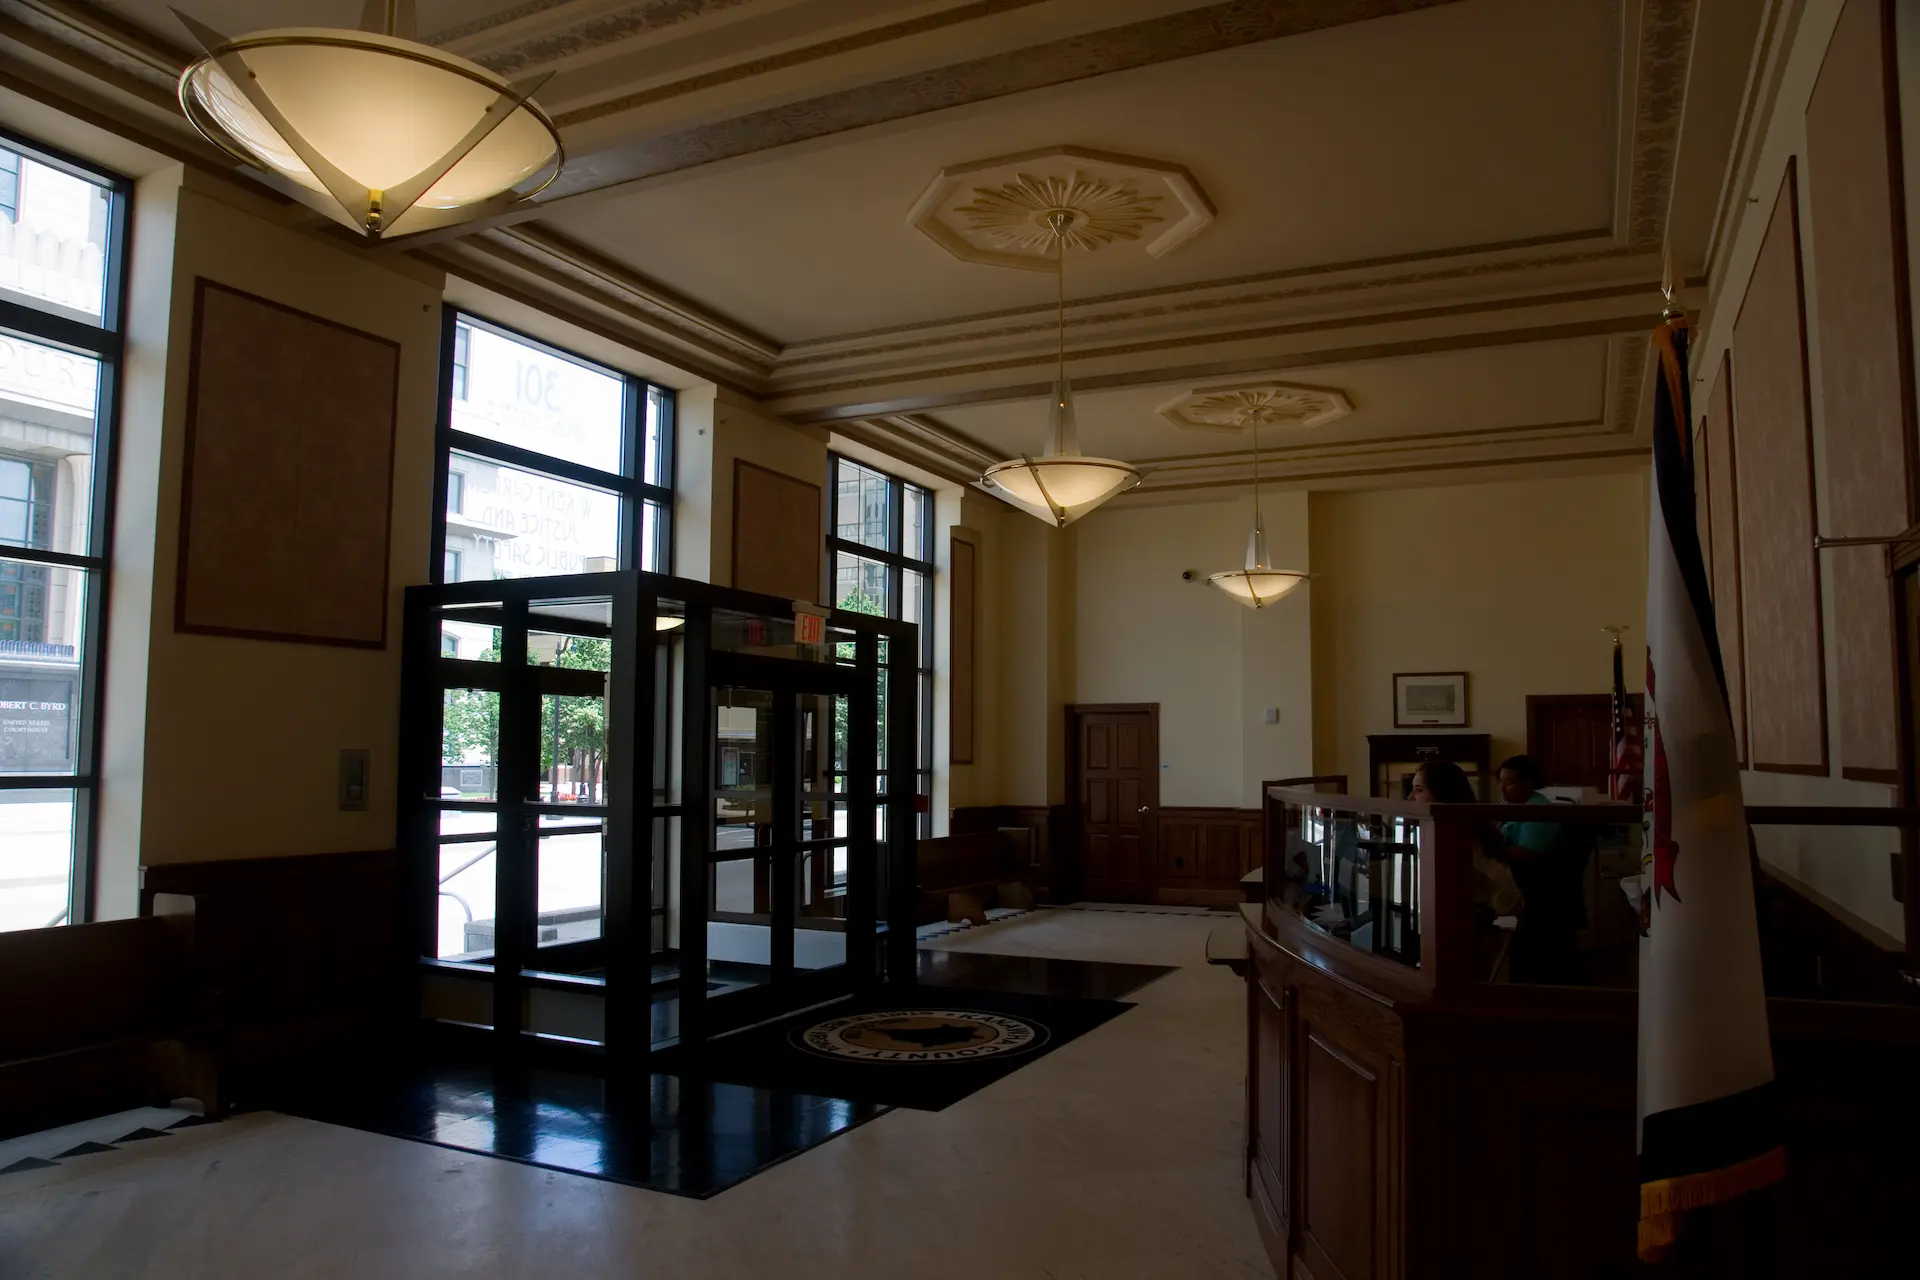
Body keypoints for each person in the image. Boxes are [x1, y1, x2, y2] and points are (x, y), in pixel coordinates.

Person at [1486, 754, 1585, 983]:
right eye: (1500, 781)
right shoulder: (1513, 806)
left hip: (1539, 889)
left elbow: (1527, 853)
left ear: (1527, 783)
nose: (1502, 788)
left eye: (1508, 782)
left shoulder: (1538, 811)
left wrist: (1492, 847)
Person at [1410, 760, 1522, 918]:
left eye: (1419, 790)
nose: (1410, 797)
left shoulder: (1467, 839)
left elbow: (1508, 901)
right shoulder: (1443, 833)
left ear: (1442, 793)